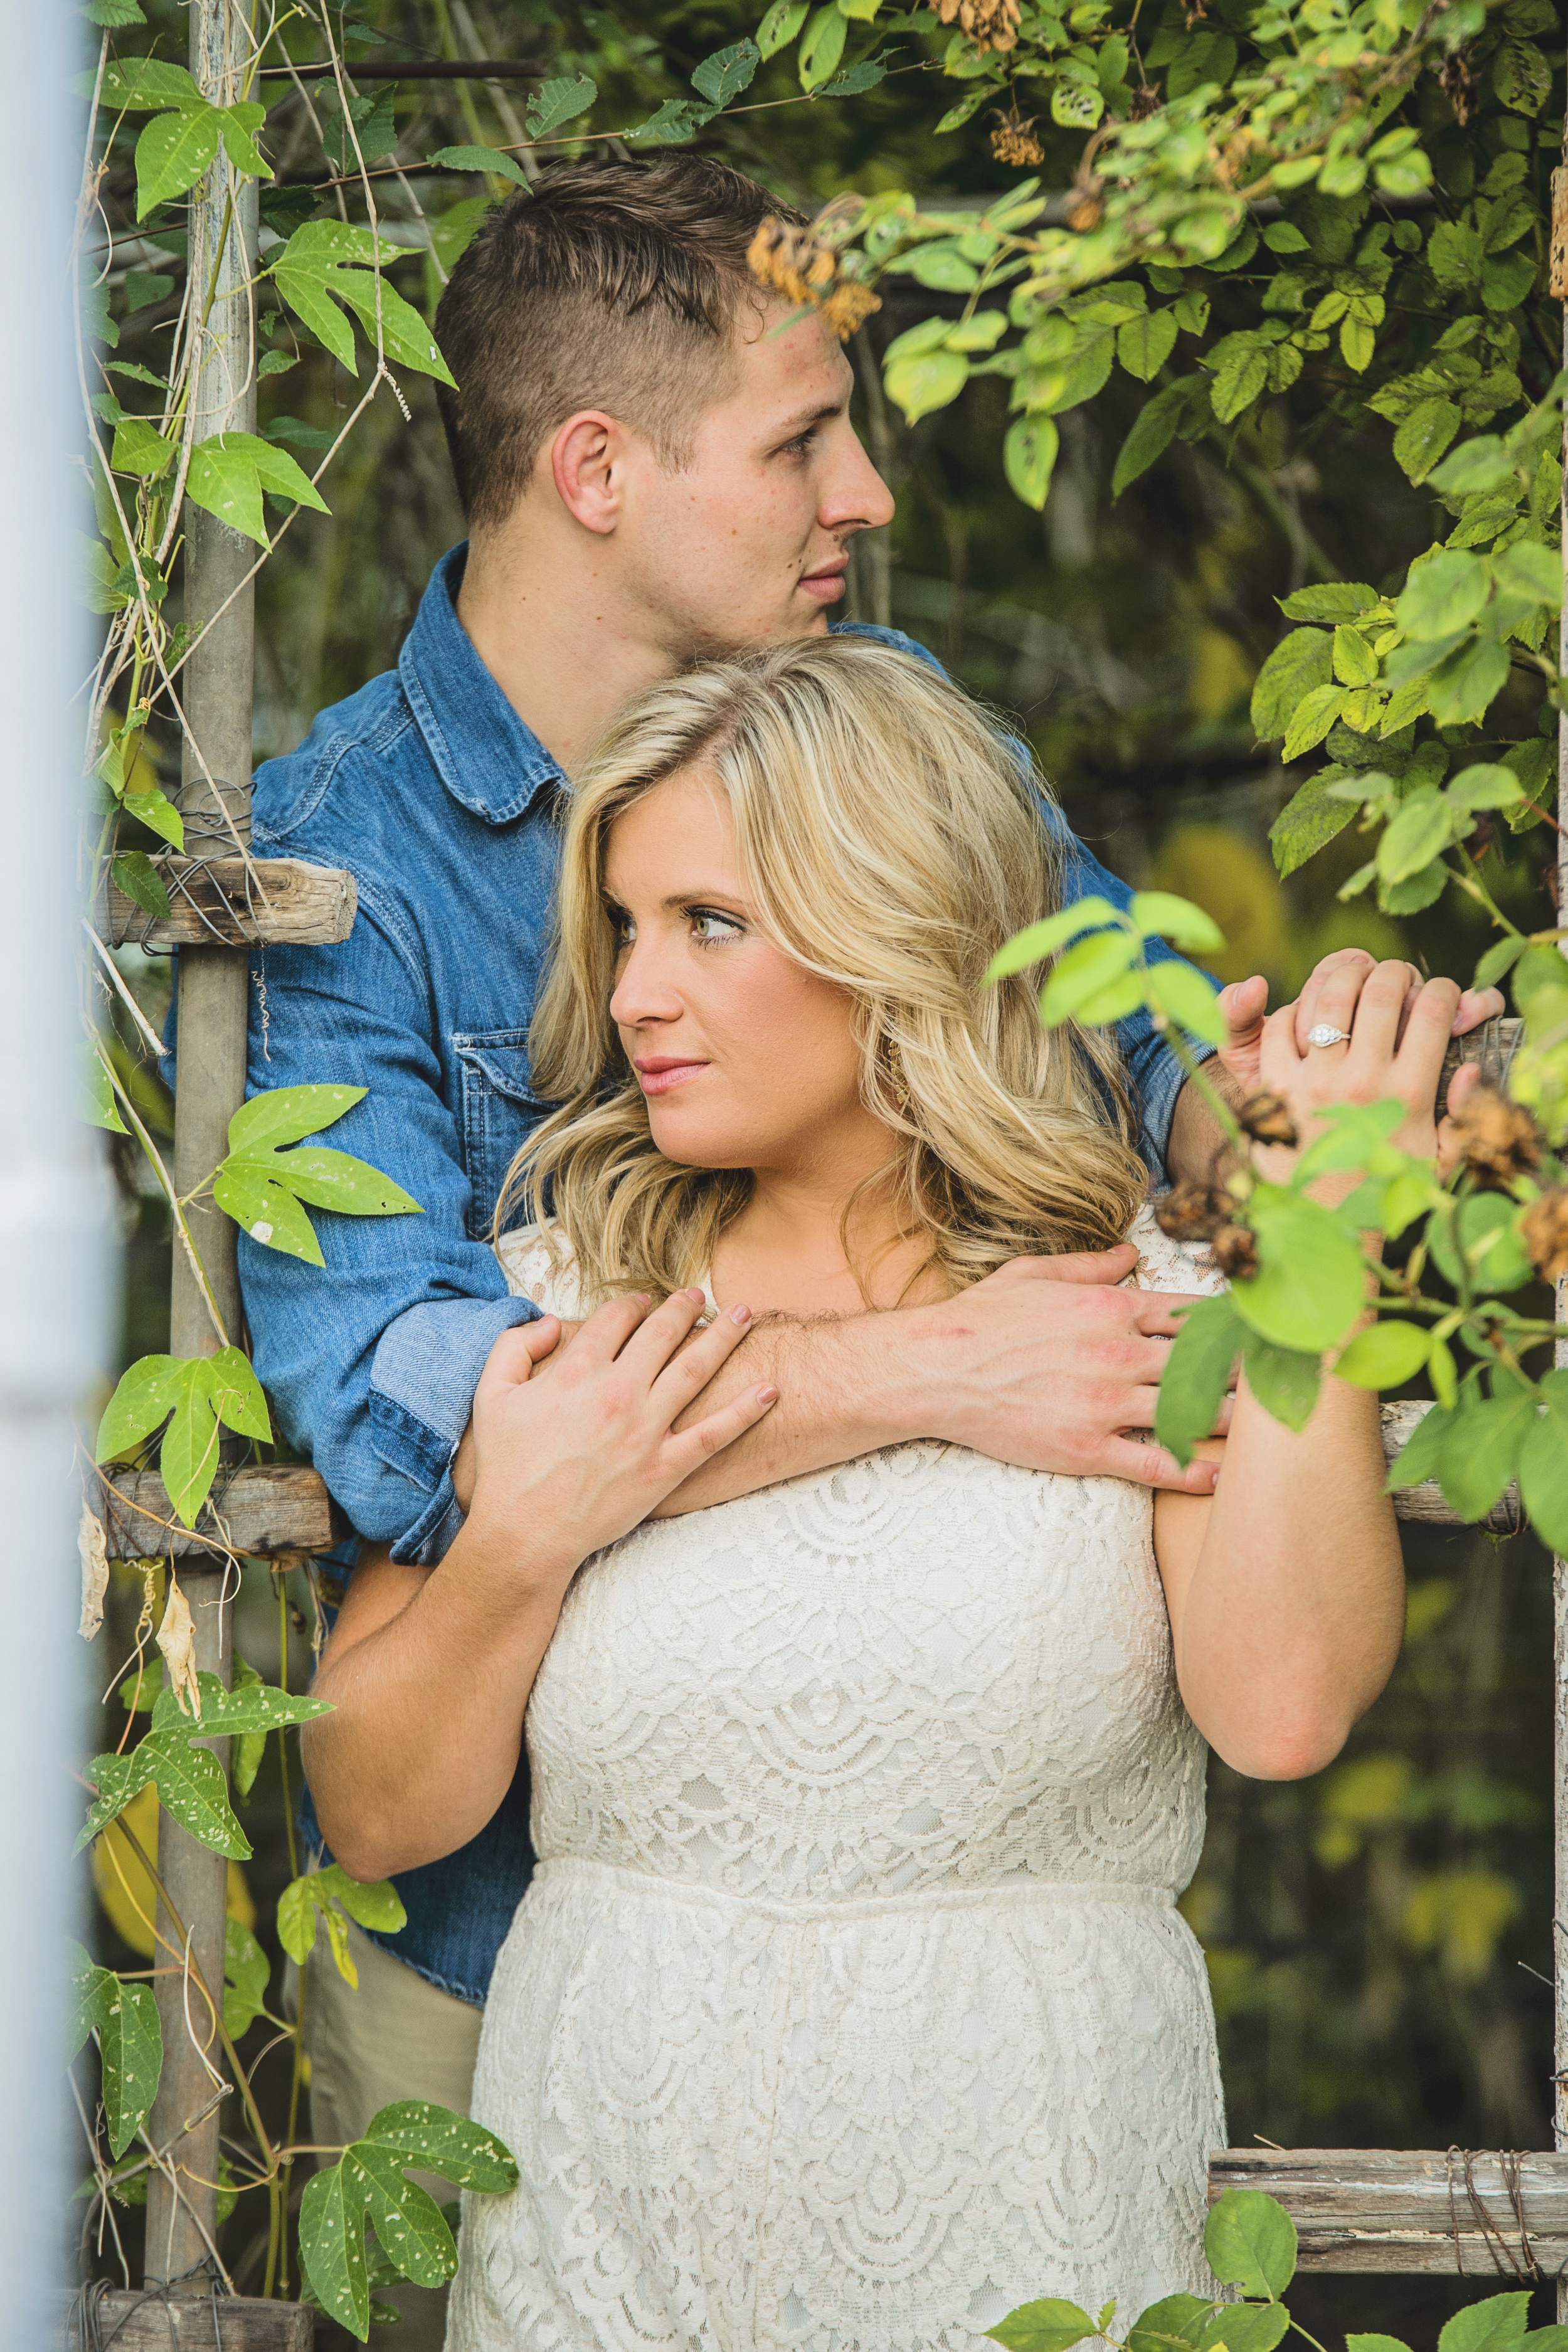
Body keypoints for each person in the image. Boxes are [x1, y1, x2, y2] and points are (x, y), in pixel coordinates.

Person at [240, 155, 1500, 2341]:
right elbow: (408, 1419)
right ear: (600, 469)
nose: (872, 493)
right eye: (805, 434)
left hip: (999, 2076)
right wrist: (916, 1377)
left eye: (711, 923)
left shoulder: (895, 729)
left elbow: (1126, 1063)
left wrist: (1348, 1137)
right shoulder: (336, 854)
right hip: (516, 1958)